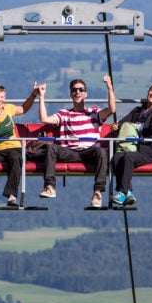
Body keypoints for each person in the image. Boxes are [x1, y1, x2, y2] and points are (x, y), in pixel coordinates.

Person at [37, 76, 116, 207]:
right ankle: (49, 186)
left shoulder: (94, 113)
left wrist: (110, 88)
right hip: (70, 151)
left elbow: (112, 110)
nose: (77, 92)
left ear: (85, 93)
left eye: (81, 90)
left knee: (102, 152)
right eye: (74, 90)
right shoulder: (64, 114)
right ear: (70, 93)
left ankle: (97, 191)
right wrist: (41, 96)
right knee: (51, 148)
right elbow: (44, 119)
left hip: (89, 151)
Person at [110, 83, 152, 206]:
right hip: (131, 149)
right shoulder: (137, 111)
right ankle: (128, 192)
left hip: (148, 152)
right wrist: (117, 125)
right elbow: (123, 122)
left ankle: (122, 192)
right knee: (117, 157)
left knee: (128, 156)